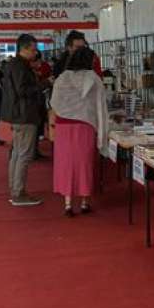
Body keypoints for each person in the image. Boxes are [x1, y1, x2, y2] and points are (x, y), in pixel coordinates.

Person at [50, 47, 108, 216]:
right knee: (85, 163)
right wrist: (102, 129)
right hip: (85, 125)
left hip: (63, 127)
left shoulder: (62, 78)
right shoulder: (93, 79)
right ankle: (84, 202)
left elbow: (54, 102)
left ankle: (67, 204)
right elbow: (100, 106)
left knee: (66, 163)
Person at [1, 34, 47, 206]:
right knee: (24, 155)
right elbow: (23, 90)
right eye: (34, 49)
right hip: (25, 115)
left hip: (18, 114)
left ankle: (15, 189)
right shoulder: (20, 66)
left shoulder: (14, 65)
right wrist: (43, 84)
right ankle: (18, 193)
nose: (35, 53)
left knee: (17, 154)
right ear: (24, 48)